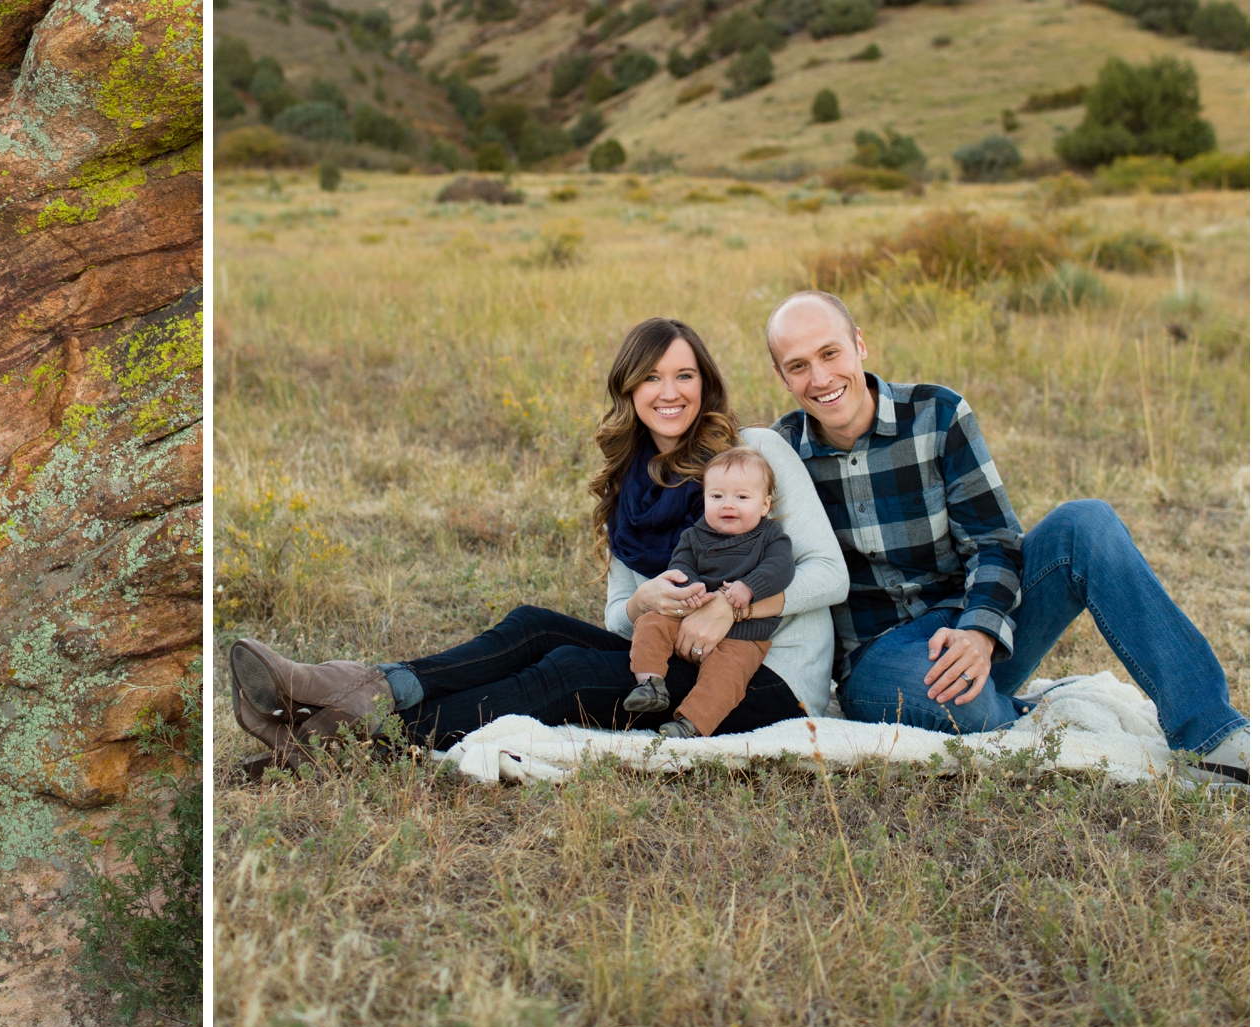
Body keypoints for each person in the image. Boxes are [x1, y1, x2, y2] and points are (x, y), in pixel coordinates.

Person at [228, 317, 848, 765]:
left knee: (569, 671)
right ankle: (362, 691)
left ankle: (345, 737)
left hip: (766, 677)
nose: (670, 391)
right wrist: (644, 604)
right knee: (531, 625)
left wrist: (728, 603)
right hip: (674, 657)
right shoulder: (630, 489)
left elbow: (828, 573)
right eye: (652, 377)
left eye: (685, 375)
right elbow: (618, 616)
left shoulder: (756, 452)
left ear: (705, 384)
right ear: (629, 390)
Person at [764, 289, 1248, 782]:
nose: (821, 378)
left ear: (859, 345)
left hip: (974, 617)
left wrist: (980, 630)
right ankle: (1006, 711)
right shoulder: (780, 457)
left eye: (830, 353)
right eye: (798, 366)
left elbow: (994, 539)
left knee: (1087, 522)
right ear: (781, 377)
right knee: (961, 705)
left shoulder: (937, 413)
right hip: (878, 655)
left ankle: (1211, 736)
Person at [624, 444, 796, 737]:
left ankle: (692, 723)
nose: (728, 504)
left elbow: (781, 569)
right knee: (650, 623)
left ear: (765, 505)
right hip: (690, 617)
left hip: (744, 636)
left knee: (726, 677)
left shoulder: (771, 537)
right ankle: (650, 683)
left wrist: (749, 587)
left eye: (742, 497)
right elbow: (681, 563)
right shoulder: (694, 535)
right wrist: (689, 586)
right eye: (717, 496)